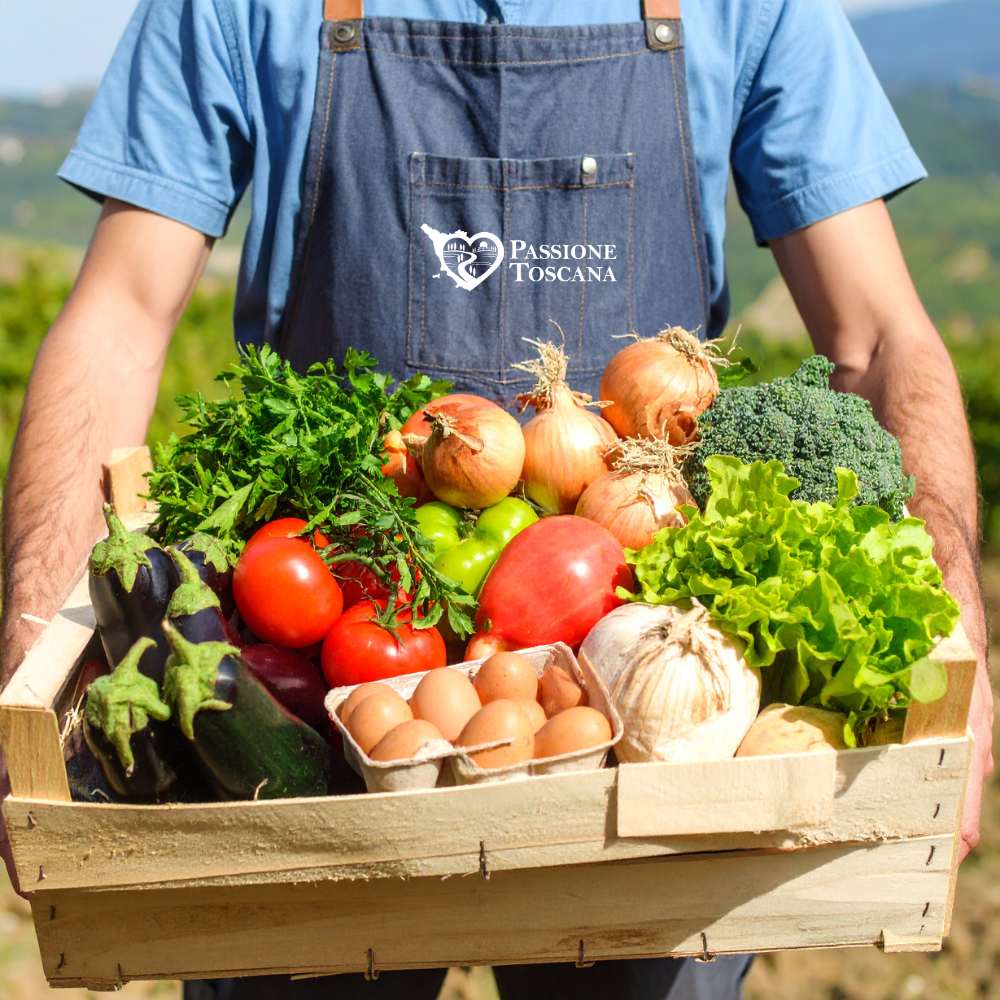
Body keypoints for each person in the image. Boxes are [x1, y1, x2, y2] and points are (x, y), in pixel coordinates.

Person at [0, 1, 991, 998]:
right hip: (314, 699)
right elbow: (119, 320)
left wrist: (957, 635)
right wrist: (29, 662)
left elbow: (877, 342)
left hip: (642, 710)